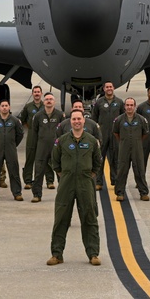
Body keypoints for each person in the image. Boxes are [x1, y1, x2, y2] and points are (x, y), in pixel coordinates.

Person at [48, 109, 102, 266]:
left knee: (89, 218)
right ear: (70, 121)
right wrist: (64, 175)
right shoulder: (62, 141)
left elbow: (97, 163)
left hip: (85, 184)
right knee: (61, 218)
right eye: (74, 119)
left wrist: (88, 175)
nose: (77, 121)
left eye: (79, 119)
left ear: (84, 121)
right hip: (66, 184)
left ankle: (93, 254)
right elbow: (55, 161)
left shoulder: (92, 141)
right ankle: (56, 254)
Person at [0, 100, 24, 200]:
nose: (4, 107)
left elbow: (20, 134)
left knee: (14, 171)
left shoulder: (15, 121)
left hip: (11, 149)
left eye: (6, 106)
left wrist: (13, 144)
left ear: (9, 107)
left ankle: (17, 193)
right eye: (2, 106)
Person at [112, 97, 150, 202]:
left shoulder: (141, 120)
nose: (129, 107)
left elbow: (145, 133)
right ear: (124, 107)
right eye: (127, 105)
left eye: (131, 105)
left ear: (135, 106)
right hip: (124, 149)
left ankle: (143, 193)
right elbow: (116, 133)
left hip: (137, 149)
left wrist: (136, 141)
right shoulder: (119, 120)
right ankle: (120, 193)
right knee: (122, 171)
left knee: (140, 170)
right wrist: (124, 141)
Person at [30, 93, 63, 202]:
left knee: (60, 172)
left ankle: (62, 196)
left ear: (54, 102)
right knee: (39, 172)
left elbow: (64, 132)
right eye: (47, 99)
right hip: (42, 148)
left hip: (56, 148)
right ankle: (37, 195)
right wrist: (34, 148)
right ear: (44, 102)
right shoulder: (38, 116)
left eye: (51, 99)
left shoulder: (60, 115)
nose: (49, 101)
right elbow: (34, 132)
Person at [91, 82, 123, 189]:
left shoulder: (119, 102)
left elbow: (123, 118)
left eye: (111, 87)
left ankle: (114, 180)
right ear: (104, 89)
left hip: (115, 134)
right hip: (102, 135)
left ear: (113, 88)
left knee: (115, 158)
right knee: (100, 158)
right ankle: (98, 182)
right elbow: (94, 119)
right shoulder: (99, 102)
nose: (109, 89)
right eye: (107, 87)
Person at [18, 86, 44, 190]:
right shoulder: (28, 106)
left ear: (41, 93)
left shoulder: (45, 106)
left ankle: (44, 181)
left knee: (44, 158)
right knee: (30, 157)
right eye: (35, 92)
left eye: (38, 92)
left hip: (43, 134)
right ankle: (28, 181)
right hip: (32, 134)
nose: (37, 94)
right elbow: (22, 119)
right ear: (32, 94)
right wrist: (31, 127)